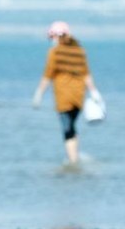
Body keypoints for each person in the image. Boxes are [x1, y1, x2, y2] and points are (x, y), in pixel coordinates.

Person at [32, 20, 101, 165]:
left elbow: (48, 75)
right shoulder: (80, 51)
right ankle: (74, 156)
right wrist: (94, 92)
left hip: (63, 97)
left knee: (67, 128)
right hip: (78, 96)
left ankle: (72, 161)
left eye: (52, 37)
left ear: (57, 36)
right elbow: (86, 74)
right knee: (71, 126)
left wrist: (39, 93)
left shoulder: (54, 53)